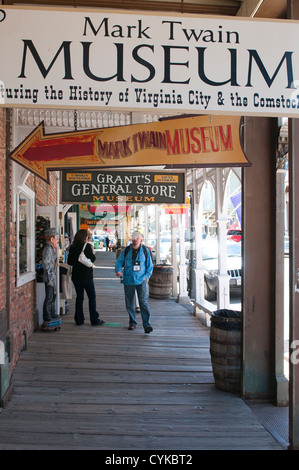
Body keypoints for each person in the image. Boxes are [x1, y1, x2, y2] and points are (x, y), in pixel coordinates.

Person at [115, 231, 153, 333]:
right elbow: (119, 262)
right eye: (133, 238)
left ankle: (147, 325)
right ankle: (132, 322)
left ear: (141, 239)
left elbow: (150, 265)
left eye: (137, 238)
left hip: (141, 280)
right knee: (129, 303)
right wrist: (118, 270)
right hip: (128, 280)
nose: (135, 240)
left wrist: (146, 276)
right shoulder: (126, 250)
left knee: (143, 302)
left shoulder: (145, 250)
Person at [67, 228, 105, 326]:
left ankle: (79, 320)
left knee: (79, 297)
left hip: (76, 276)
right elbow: (92, 259)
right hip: (86, 276)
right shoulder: (86, 246)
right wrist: (91, 251)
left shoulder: (72, 247)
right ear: (85, 237)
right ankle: (94, 319)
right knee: (91, 297)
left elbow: (70, 262)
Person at [42, 227, 60, 322]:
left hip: (52, 277)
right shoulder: (48, 249)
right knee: (49, 297)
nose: (58, 240)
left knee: (53, 296)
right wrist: (50, 277)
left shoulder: (52, 249)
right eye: (57, 237)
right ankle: (47, 315)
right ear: (52, 239)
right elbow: (46, 264)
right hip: (49, 277)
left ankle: (52, 313)